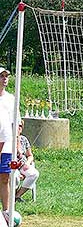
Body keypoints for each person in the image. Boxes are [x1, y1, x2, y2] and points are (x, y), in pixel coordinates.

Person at [0, 67, 15, 214]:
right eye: (1, 76)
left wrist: (16, 144)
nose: (4, 79)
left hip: (6, 144)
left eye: (6, 76)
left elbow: (16, 123)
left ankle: (6, 210)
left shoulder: (10, 99)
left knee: (5, 177)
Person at [15, 120, 39, 202]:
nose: (19, 128)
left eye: (20, 126)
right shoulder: (7, 140)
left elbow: (30, 155)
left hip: (23, 165)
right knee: (16, 177)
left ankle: (17, 195)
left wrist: (28, 163)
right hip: (12, 165)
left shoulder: (24, 139)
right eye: (17, 125)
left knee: (34, 174)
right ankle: (10, 196)